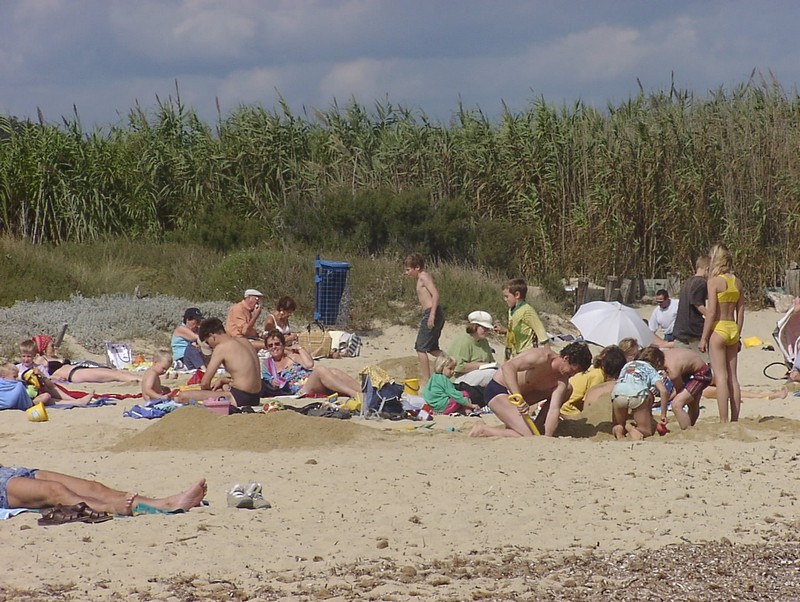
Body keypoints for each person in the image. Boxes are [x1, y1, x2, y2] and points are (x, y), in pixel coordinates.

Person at [469, 342, 592, 438]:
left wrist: (547, 437)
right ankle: (484, 430)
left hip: (521, 400)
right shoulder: (542, 357)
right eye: (572, 370)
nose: (572, 375)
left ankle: (532, 427)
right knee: (526, 436)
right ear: (566, 358)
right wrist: (517, 396)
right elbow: (508, 367)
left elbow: (553, 410)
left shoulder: (562, 381)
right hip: (500, 389)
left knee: (568, 390)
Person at [0, 465, 206, 516]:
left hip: (11, 471)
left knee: (93, 487)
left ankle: (165, 503)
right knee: (55, 491)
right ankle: (110, 507)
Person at [700, 243, 744, 423]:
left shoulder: (714, 282)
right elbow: (741, 312)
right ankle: (735, 419)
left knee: (721, 376)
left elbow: (711, 312)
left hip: (718, 328)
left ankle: (724, 420)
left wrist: (704, 337)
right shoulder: (737, 282)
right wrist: (738, 335)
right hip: (732, 327)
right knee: (733, 376)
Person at [177, 317, 262, 407]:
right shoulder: (245, 341)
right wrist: (224, 381)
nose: (210, 346)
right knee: (219, 388)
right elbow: (246, 375)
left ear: (212, 336)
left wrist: (205, 393)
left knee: (183, 396)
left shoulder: (221, 347)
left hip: (240, 398)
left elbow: (205, 382)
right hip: (255, 397)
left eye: (208, 342)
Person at [260, 330, 361, 399]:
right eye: (270, 345)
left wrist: (300, 349)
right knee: (320, 370)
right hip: (300, 390)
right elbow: (267, 381)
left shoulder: (292, 356)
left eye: (277, 344)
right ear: (267, 348)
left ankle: (364, 392)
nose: (274, 347)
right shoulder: (268, 364)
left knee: (334, 371)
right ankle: (353, 394)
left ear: (283, 344)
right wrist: (273, 381)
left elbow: (309, 365)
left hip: (311, 380)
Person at [611, 346, 669, 440]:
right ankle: (630, 428)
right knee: (646, 430)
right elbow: (663, 391)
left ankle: (620, 428)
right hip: (638, 394)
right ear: (658, 362)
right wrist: (663, 415)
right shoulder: (651, 369)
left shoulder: (627, 365)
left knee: (617, 424)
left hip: (618, 393)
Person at [403, 253, 444, 384]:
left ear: (417, 267)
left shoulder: (424, 277)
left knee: (420, 348)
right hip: (432, 313)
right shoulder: (421, 278)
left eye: (409, 269)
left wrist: (431, 315)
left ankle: (427, 379)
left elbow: (435, 294)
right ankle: (452, 362)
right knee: (432, 348)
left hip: (432, 313)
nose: (407, 272)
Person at [16, 340, 94, 404]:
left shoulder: (39, 367)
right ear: (20, 356)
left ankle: (74, 401)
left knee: (47, 394)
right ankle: (75, 402)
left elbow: (50, 385)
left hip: (37, 394)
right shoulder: (17, 368)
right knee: (46, 397)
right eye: (24, 356)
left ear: (34, 356)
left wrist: (41, 375)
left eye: (29, 356)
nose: (26, 359)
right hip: (24, 396)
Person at [561, 345, 627, 416]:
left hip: (565, 403)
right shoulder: (598, 377)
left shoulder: (594, 371)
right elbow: (590, 402)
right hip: (567, 408)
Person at [494, 278, 549, 360]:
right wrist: (505, 331)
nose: (505, 299)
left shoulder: (527, 311)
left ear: (517, 295)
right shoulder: (511, 310)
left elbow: (540, 330)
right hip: (515, 353)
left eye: (507, 296)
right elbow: (516, 330)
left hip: (527, 353)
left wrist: (548, 353)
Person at [662, 347, 712, 430]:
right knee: (692, 405)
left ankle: (687, 430)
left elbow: (678, 390)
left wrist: (667, 400)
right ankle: (690, 426)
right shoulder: (666, 355)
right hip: (695, 370)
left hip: (701, 374)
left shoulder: (672, 370)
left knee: (677, 405)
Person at [447, 310, 497, 388]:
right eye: (484, 328)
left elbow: (491, 362)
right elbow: (458, 367)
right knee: (492, 374)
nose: (487, 331)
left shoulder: (484, 342)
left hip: (474, 376)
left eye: (488, 329)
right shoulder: (464, 341)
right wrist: (480, 365)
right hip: (457, 380)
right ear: (475, 326)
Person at [672, 255, 710, 355]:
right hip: (693, 331)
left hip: (680, 330)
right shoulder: (701, 283)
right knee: (705, 364)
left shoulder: (688, 281)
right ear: (708, 269)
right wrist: (711, 316)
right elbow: (698, 304)